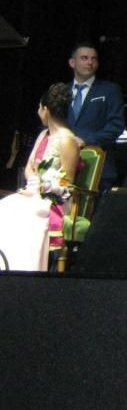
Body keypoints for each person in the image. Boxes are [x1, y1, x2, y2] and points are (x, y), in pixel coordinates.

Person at [0, 84, 79, 271]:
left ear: (46, 110)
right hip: (34, 191)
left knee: (23, 211)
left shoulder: (67, 140)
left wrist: (44, 188)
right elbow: (29, 168)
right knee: (6, 205)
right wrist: (34, 185)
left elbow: (67, 180)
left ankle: (25, 270)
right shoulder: (43, 134)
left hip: (56, 198)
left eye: (39, 108)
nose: (38, 112)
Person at [66, 42, 125, 189]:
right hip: (63, 165)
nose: (90, 62)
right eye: (84, 58)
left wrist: (85, 141)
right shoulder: (62, 91)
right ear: (72, 62)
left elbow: (116, 126)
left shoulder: (110, 90)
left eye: (94, 59)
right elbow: (51, 123)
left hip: (98, 167)